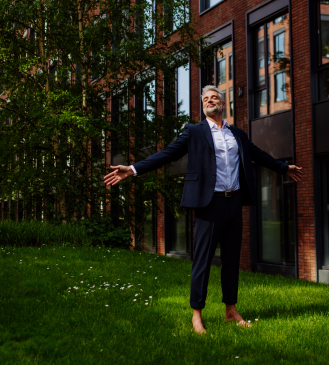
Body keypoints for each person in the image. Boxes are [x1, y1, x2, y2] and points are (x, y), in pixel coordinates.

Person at [103, 85, 303, 334]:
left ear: (222, 102)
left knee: (232, 260)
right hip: (210, 204)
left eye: (214, 97)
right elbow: (167, 154)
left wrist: (284, 168)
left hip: (234, 201)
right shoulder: (194, 132)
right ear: (203, 106)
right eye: (206, 99)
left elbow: (258, 154)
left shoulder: (237, 134)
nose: (210, 101)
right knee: (203, 260)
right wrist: (132, 169)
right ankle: (196, 314)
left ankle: (231, 311)